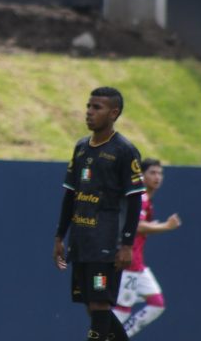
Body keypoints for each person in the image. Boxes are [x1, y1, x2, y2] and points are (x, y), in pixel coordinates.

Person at [53, 87, 146, 341]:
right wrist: (60, 236)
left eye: (97, 108)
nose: (89, 112)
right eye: (88, 106)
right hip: (82, 242)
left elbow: (135, 200)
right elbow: (70, 194)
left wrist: (126, 244)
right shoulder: (81, 147)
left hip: (106, 245)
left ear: (113, 113)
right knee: (90, 304)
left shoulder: (124, 150)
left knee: (100, 304)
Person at [113, 158, 181, 336]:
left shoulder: (147, 201)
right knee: (122, 311)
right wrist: (165, 226)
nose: (157, 177)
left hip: (138, 264)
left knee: (157, 303)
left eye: (160, 173)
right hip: (128, 262)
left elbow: (141, 227)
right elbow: (136, 226)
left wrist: (155, 227)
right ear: (141, 176)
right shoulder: (141, 197)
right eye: (152, 173)